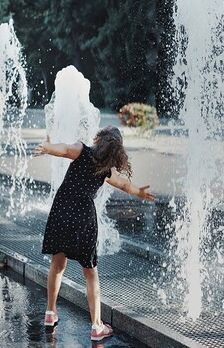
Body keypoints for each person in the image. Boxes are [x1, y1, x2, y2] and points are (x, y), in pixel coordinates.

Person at [34, 125, 154, 341]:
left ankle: (50, 313)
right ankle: (97, 326)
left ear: (98, 140)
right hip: (84, 218)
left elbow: (63, 149)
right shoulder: (105, 170)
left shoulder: (81, 150)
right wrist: (139, 192)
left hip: (62, 210)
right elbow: (125, 185)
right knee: (90, 274)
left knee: (57, 265)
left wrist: (47, 147)